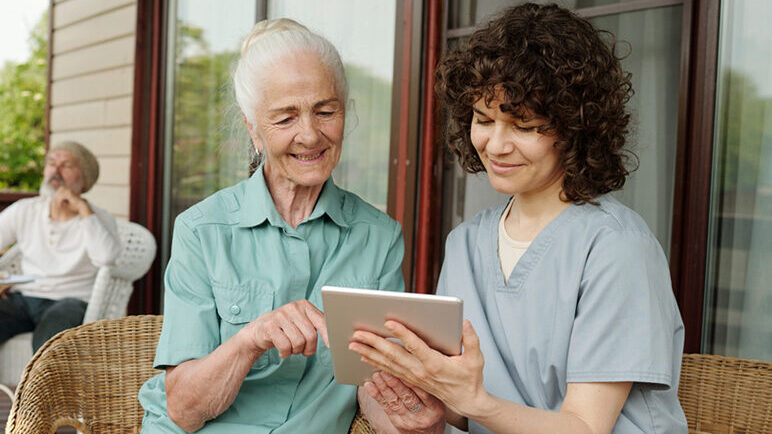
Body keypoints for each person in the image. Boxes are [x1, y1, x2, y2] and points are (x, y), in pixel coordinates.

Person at [350, 4, 688, 433]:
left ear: (575, 128)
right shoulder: (465, 244)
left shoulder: (617, 247)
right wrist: (424, 402)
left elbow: (585, 427)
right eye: (483, 119)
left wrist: (475, 402)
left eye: (524, 126)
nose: (495, 145)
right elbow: (465, 406)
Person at [138, 19, 440, 434]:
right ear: (253, 129)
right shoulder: (201, 230)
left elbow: (372, 382)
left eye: (325, 111)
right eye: (285, 118)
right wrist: (252, 338)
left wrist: (415, 423)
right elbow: (184, 408)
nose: (310, 135)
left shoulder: (379, 237)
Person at [0, 141, 121, 352]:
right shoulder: (24, 210)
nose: (55, 171)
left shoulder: (98, 219)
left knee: (50, 341)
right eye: (51, 163)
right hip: (24, 298)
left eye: (66, 165)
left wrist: (83, 209)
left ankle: (40, 386)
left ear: (84, 179)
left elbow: (107, 257)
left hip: (71, 301)